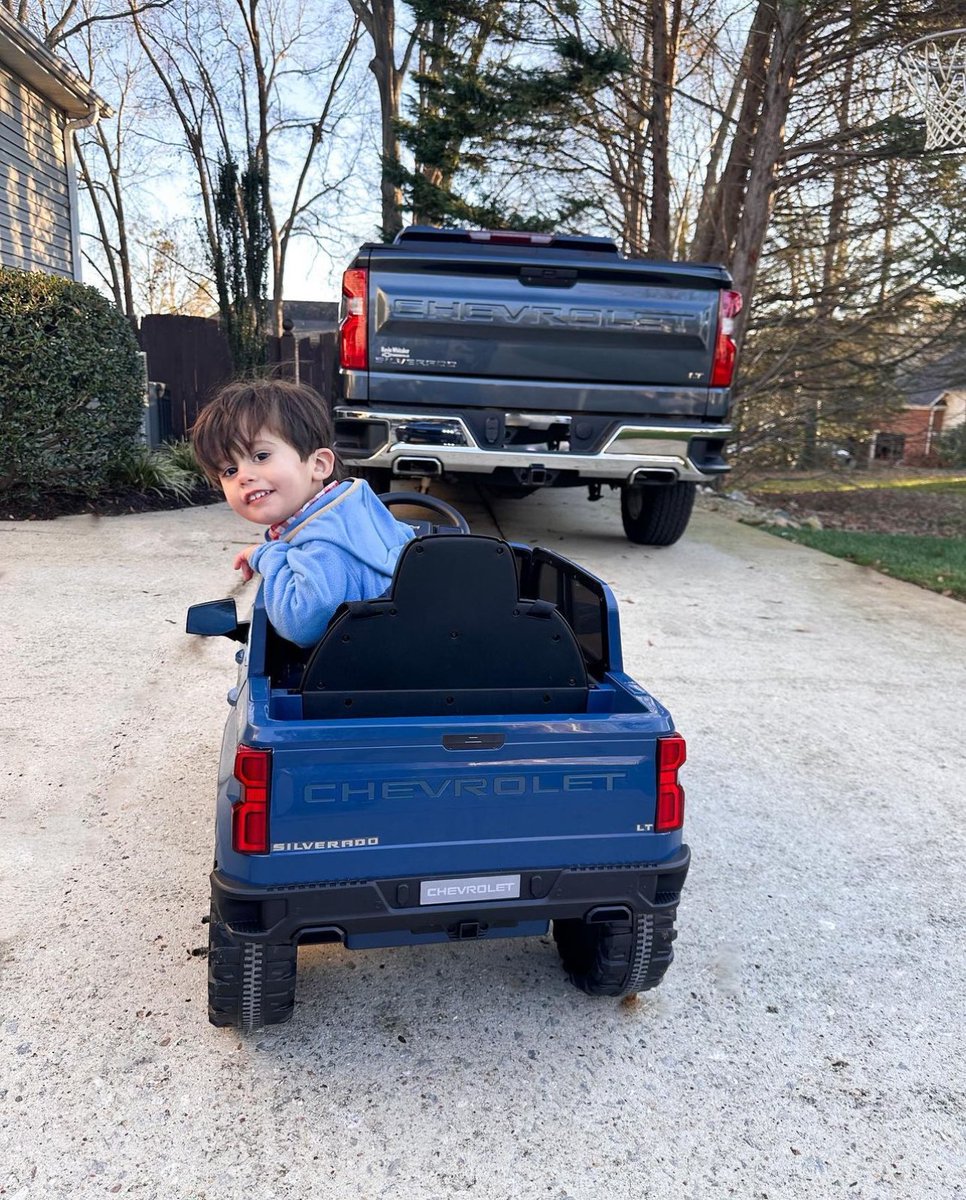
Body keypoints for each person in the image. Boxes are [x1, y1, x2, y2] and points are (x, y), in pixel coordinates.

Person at [191, 378, 414, 647]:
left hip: (365, 670)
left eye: (260, 456)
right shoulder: (354, 510)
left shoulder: (323, 543)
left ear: (318, 464)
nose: (243, 477)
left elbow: (301, 625)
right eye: (229, 470)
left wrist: (267, 555)